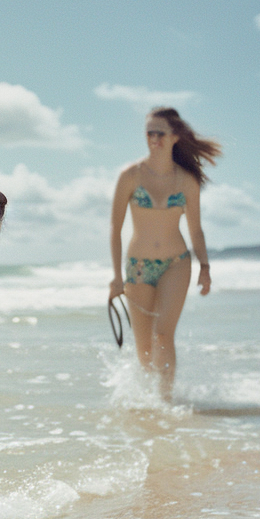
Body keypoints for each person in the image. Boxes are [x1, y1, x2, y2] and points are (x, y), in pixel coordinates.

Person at [109, 107, 221, 398]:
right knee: (144, 349)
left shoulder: (186, 180)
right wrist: (116, 277)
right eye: (149, 133)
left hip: (176, 263)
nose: (154, 139)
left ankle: (166, 402)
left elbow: (196, 230)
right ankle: (149, 402)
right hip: (138, 267)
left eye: (160, 133)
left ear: (174, 137)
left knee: (163, 335)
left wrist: (205, 267)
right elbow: (115, 228)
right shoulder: (130, 176)